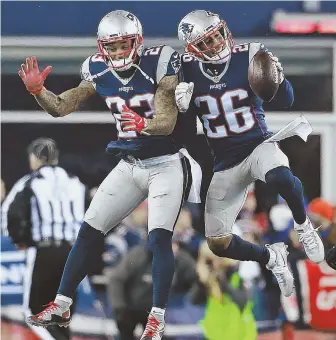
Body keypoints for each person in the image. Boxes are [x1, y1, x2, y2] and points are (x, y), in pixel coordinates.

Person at [20, 10, 193, 340]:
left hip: (165, 163)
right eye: (109, 48)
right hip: (129, 164)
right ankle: (62, 303)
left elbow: (167, 119)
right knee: (88, 230)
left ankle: (156, 318)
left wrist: (146, 125)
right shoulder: (96, 68)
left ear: (138, 41)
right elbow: (62, 106)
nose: (115, 54)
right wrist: (38, 92)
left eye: (121, 45)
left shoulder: (159, 62)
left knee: (158, 239)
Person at [175, 10, 324, 297]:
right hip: (225, 163)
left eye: (217, 34)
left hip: (257, 144)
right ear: (193, 49)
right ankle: (272, 258)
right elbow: (181, 134)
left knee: (281, 176)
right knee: (217, 242)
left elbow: (285, 100)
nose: (216, 42)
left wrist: (280, 81)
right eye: (206, 41)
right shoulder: (186, 70)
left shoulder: (250, 55)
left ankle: (304, 226)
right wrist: (182, 108)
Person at [2, 138, 86, 340]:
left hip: (45, 251)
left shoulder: (31, 182)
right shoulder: (75, 181)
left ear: (34, 158)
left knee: (34, 314)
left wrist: (20, 240)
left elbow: (9, 214)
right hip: (73, 254)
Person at [107, 236, 196, 340]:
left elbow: (196, 277)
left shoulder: (180, 260)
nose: (174, 248)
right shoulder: (137, 256)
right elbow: (117, 280)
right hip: (129, 308)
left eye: (176, 244)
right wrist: (119, 308)